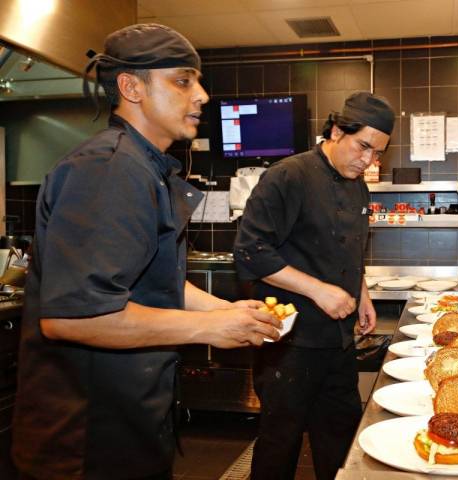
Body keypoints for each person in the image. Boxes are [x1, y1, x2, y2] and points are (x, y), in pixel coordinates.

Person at [11, 24, 281, 480]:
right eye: (182, 80)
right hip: (87, 440)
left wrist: (230, 310)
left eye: (197, 80)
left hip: (130, 423)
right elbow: (75, 315)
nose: (202, 95)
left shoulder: (142, 168)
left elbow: (157, 282)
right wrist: (210, 327)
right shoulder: (108, 169)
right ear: (131, 87)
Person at [234, 91, 395, 480]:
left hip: (337, 341)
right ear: (337, 130)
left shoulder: (358, 185)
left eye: (377, 154)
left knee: (341, 438)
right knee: (280, 442)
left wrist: (363, 295)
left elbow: (349, 248)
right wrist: (319, 290)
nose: (368, 160)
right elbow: (251, 252)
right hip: (290, 340)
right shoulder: (288, 175)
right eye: (363, 147)